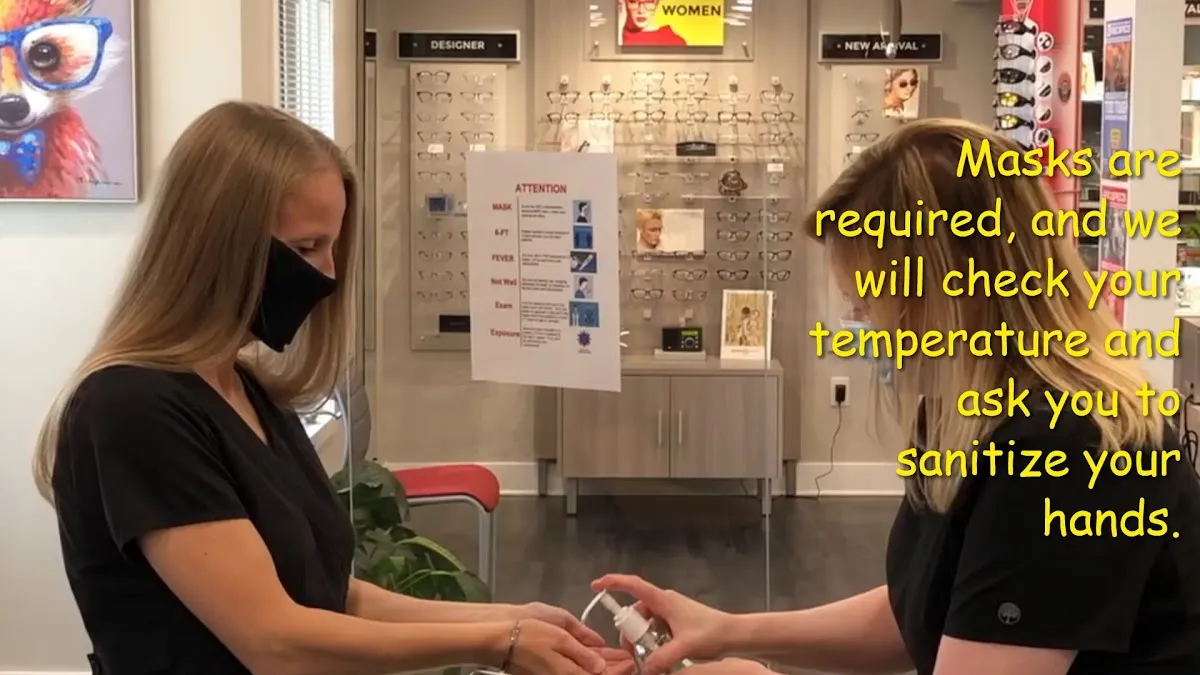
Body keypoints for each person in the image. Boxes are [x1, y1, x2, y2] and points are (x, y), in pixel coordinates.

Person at [33, 101, 633, 675]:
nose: (327, 274)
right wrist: (499, 644)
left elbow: (335, 597)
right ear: (221, 246)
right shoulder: (133, 410)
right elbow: (275, 642)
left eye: (331, 246)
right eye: (305, 248)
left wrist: (513, 619)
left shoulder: (245, 390)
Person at [594, 118, 1200, 675]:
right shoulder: (968, 410)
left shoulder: (1068, 445)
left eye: (869, 300)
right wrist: (730, 631)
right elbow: (925, 608)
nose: (863, 323)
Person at [618, 0, 686, 47]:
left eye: (649, 2)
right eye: (634, 1)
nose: (641, 10)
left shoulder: (674, 42)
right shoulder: (616, 35)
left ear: (657, 3)